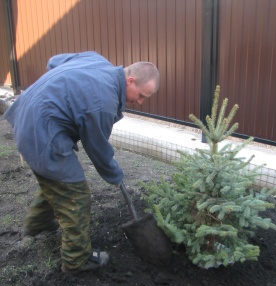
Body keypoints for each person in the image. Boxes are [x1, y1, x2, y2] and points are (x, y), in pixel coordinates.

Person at [4, 51, 160, 274]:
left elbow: (53, 61)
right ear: (130, 80)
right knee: (76, 196)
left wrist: (60, 93)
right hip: (41, 133)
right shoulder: (103, 102)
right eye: (141, 95)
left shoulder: (96, 60)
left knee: (59, 182)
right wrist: (116, 174)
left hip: (27, 114)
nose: (140, 102)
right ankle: (76, 260)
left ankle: (37, 225)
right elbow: (98, 149)